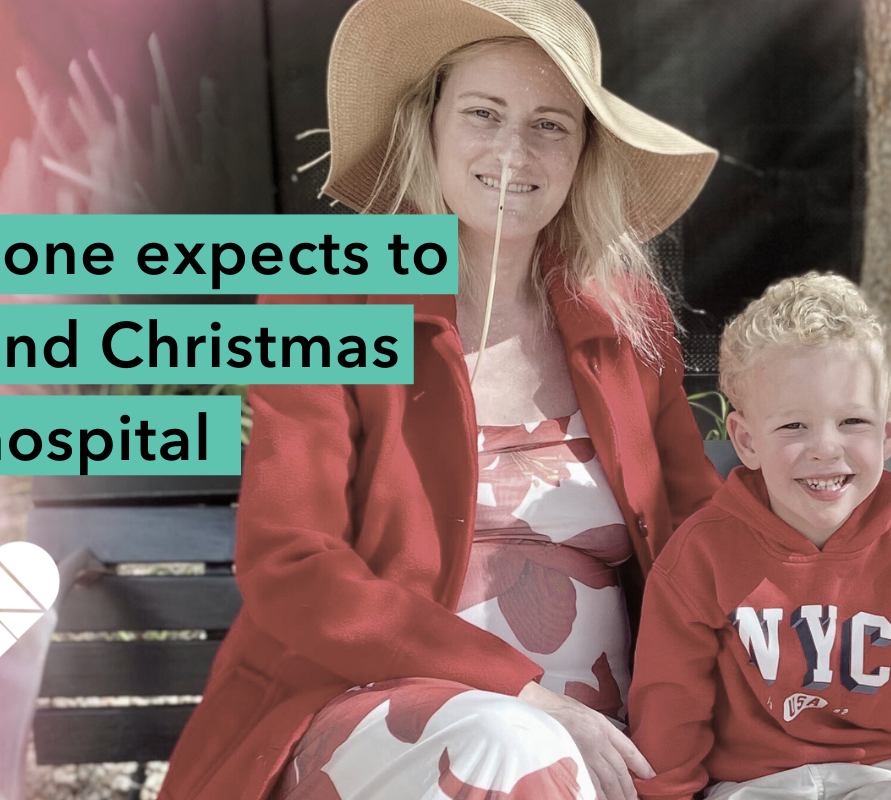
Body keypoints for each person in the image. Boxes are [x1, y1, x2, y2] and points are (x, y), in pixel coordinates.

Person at [158, 0, 725, 798]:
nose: (513, 150)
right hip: (371, 718)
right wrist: (525, 693)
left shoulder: (627, 320)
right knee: (509, 746)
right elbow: (292, 564)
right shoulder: (324, 301)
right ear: (426, 124)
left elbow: (704, 538)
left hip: (608, 739)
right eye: (483, 113)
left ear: (582, 154)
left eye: (550, 125)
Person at [627, 274, 891, 800]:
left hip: (880, 778)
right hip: (753, 786)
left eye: (852, 421)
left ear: (889, 431)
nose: (825, 447)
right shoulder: (702, 554)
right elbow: (671, 702)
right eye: (793, 427)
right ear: (746, 440)